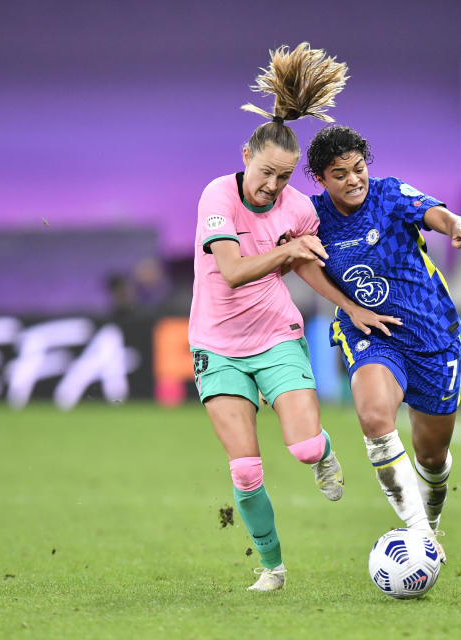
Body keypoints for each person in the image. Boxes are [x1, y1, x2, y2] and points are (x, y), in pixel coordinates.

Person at [189, 44, 399, 592]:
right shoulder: (218, 195)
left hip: (275, 336)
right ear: (246, 156)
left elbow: (310, 266)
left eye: (284, 178)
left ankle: (323, 453)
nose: (272, 186)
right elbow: (233, 271)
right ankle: (272, 567)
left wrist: (350, 305)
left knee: (303, 447)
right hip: (216, 342)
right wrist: (287, 252)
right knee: (246, 470)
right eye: (265, 173)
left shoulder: (299, 209)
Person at [303, 124, 461, 545]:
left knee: (433, 458)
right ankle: (420, 535)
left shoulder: (388, 195)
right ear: (321, 179)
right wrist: (349, 307)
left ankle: (431, 522)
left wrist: (455, 224)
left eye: (358, 168)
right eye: (340, 173)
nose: (353, 180)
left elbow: (433, 213)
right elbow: (301, 262)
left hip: (431, 333)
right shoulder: (312, 216)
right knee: (374, 417)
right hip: (372, 333)